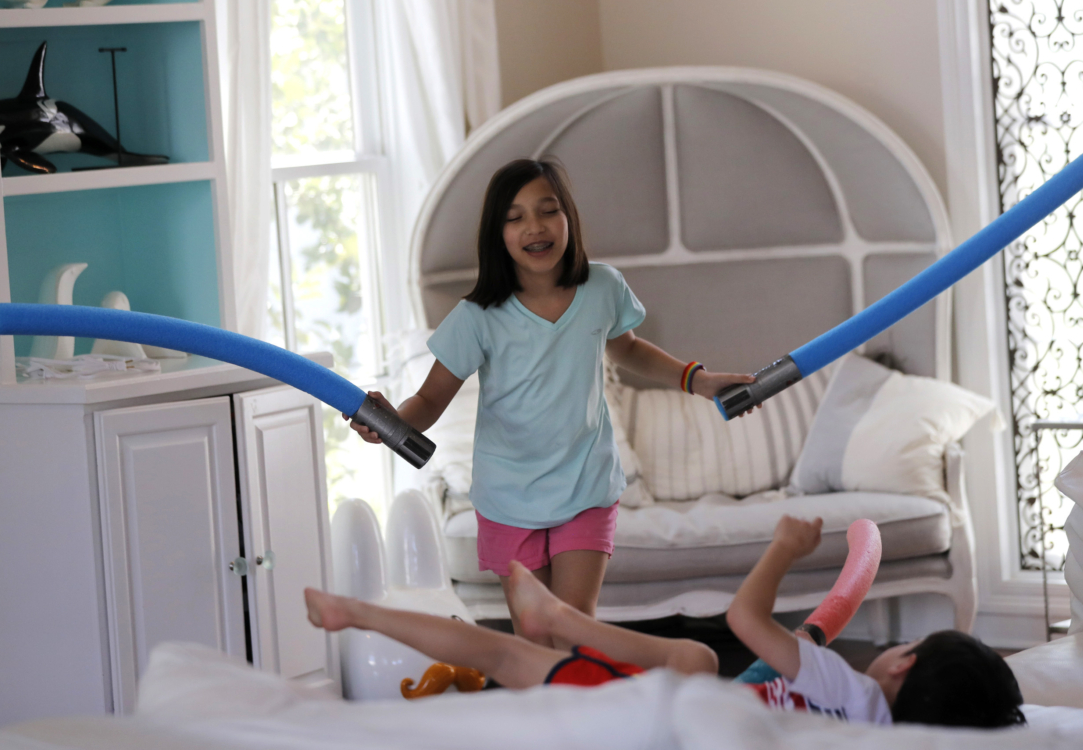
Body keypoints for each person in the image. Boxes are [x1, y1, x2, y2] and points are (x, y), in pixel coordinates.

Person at [347, 158, 755, 643]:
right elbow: (431, 399)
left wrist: (698, 380)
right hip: (507, 497)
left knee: (575, 625)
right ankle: (544, 716)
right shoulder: (476, 316)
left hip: (585, 484)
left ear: (569, 219)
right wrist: (388, 423)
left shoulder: (602, 287)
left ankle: (583, 715)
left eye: (548, 210)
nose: (534, 227)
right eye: (515, 217)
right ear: (496, 233)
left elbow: (625, 347)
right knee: (535, 635)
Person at [305, 514, 1026, 728]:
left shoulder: (853, 687)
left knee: (499, 655)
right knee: (699, 668)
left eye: (907, 643)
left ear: (903, 663)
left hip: (651, 718)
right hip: (697, 710)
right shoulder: (873, 730)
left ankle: (359, 612)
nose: (896, 645)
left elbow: (746, 618)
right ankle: (551, 612)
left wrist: (784, 549)